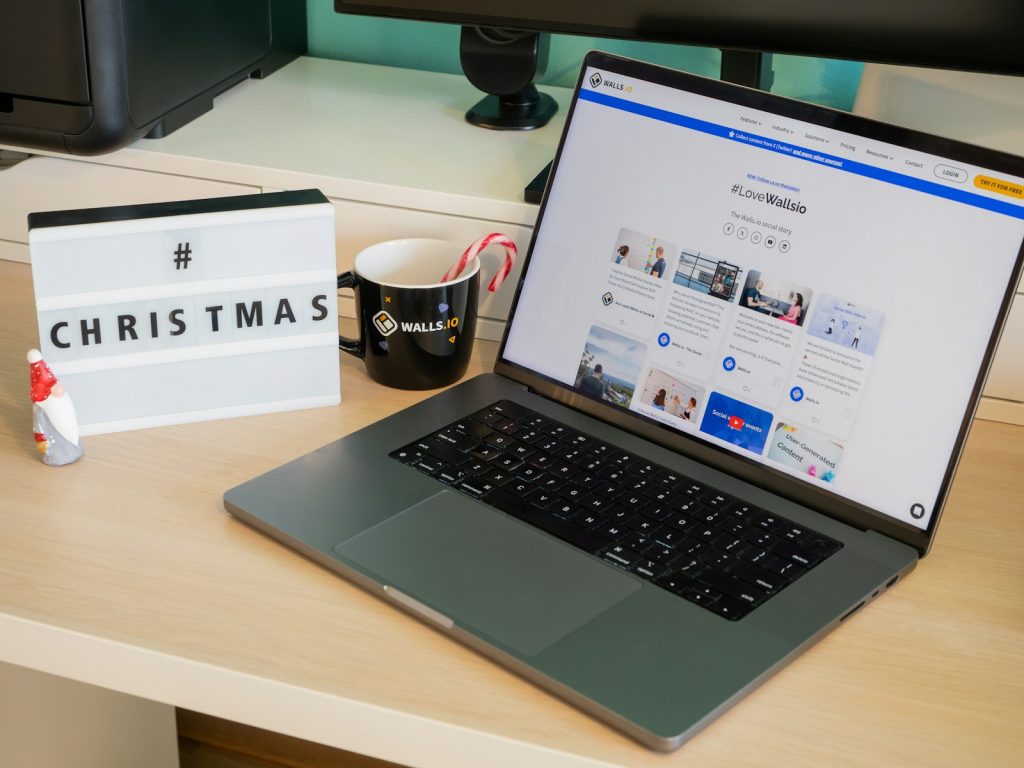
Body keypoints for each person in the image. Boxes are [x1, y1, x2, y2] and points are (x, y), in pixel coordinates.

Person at [28, 349, 84, 466]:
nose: (60, 388)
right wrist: (43, 444)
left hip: (72, 440)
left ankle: (75, 449)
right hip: (56, 448)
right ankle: (61, 456)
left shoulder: (62, 401)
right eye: (53, 386)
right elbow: (39, 429)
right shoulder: (41, 409)